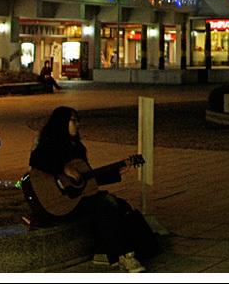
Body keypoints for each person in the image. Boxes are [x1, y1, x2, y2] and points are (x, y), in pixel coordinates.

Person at [29, 107, 157, 272]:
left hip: (77, 199)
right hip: (61, 203)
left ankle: (103, 251)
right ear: (61, 122)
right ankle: (123, 255)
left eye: (77, 120)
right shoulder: (49, 141)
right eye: (73, 120)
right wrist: (64, 168)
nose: (78, 124)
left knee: (120, 205)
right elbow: (36, 160)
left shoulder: (77, 147)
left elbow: (86, 179)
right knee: (106, 203)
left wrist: (116, 173)